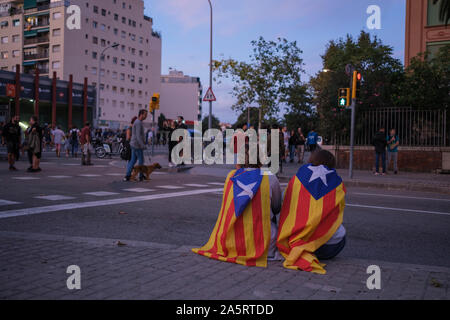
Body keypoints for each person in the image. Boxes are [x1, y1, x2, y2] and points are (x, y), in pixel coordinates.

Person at [193, 144, 283, 266]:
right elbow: (277, 207)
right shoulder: (270, 177)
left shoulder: (231, 176)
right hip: (264, 242)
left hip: (232, 241)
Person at [277, 149, 346, 274]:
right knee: (341, 235)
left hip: (295, 244)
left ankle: (303, 249)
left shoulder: (298, 178)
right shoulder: (337, 183)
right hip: (329, 246)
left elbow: (283, 199)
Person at [124, 110, 148, 181]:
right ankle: (140, 176)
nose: (146, 116)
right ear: (141, 114)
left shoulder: (138, 122)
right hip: (137, 145)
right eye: (145, 114)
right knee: (141, 160)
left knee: (133, 160)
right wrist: (142, 145)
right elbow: (138, 136)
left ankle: (127, 175)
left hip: (134, 144)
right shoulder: (138, 123)